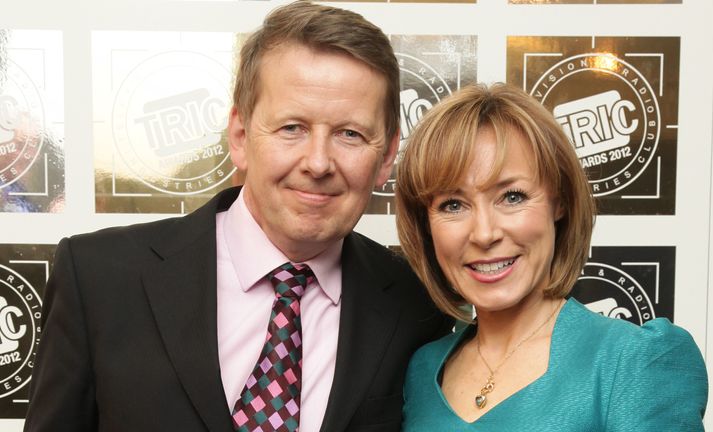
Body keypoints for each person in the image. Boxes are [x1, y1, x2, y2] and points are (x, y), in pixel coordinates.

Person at [24, 2, 451, 431]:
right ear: (241, 136)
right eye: (292, 128)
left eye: (350, 134)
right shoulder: (99, 278)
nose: (318, 163)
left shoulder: (417, 305)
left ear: (387, 156)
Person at [395, 83, 708, 431]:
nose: (484, 233)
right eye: (453, 205)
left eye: (512, 197)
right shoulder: (421, 371)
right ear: (426, 224)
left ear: (558, 202)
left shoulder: (635, 361)